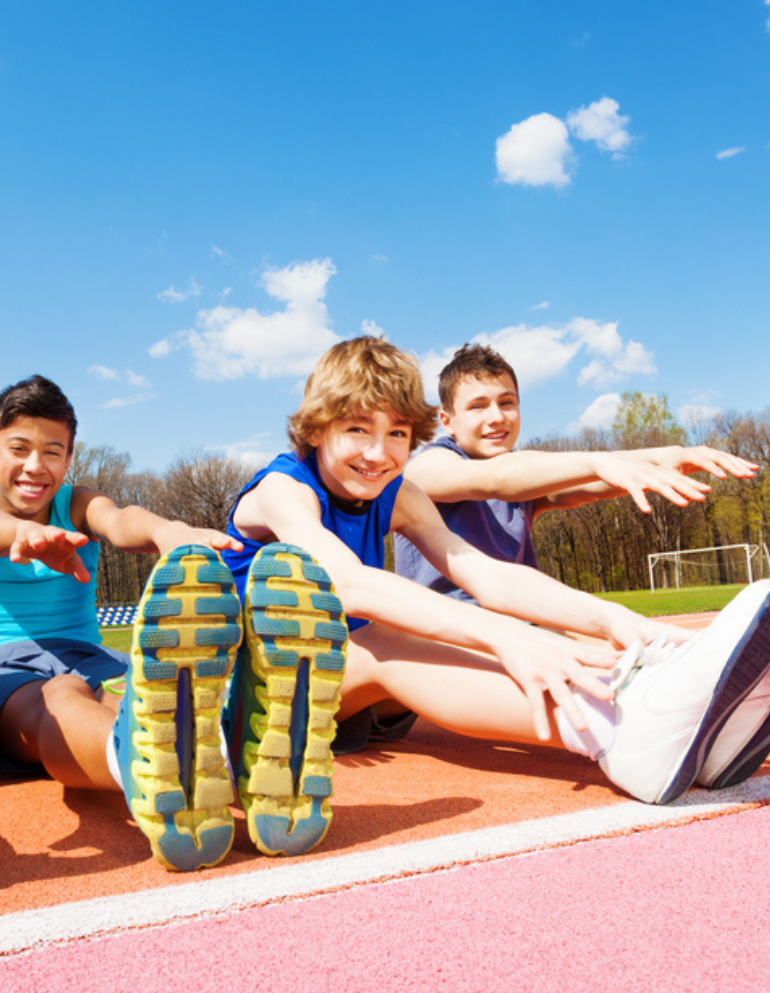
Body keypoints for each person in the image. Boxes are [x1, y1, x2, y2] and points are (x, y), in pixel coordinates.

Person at [220, 337, 770, 857]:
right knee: (383, 640)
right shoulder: (282, 490)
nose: (378, 452)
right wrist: (504, 635)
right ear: (317, 430)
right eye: (357, 430)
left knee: (438, 634)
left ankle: (694, 730)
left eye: (396, 434)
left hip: (328, 696)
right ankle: (616, 731)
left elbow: (488, 576)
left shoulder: (397, 493)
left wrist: (621, 622)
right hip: (246, 698)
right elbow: (348, 584)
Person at [0, 375, 246, 875]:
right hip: (0, 670)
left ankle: (225, 752)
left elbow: (119, 520)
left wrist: (167, 532)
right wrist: (24, 533)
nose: (35, 465)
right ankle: (144, 768)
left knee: (135, 695)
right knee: (59, 695)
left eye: (52, 452)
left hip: (89, 657)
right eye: (20, 448)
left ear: (68, 460)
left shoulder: (76, 504)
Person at [394, 343, 758, 600]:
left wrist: (677, 455)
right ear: (447, 420)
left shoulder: (528, 481)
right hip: (447, 634)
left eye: (507, 402)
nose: (497, 417)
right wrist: (597, 461)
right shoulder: (427, 467)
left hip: (517, 623)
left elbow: (595, 482)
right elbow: (496, 479)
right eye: (478, 406)